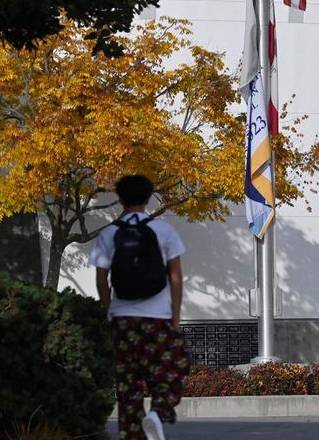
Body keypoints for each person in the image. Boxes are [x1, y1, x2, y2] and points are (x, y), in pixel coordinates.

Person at [90, 175, 188, 440]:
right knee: (173, 370)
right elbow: (176, 277)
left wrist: (109, 310)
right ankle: (158, 412)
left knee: (128, 388)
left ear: (120, 198)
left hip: (123, 320)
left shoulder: (109, 233)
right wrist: (175, 319)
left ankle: (134, 434)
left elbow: (101, 281)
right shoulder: (164, 231)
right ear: (148, 197)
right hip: (159, 319)